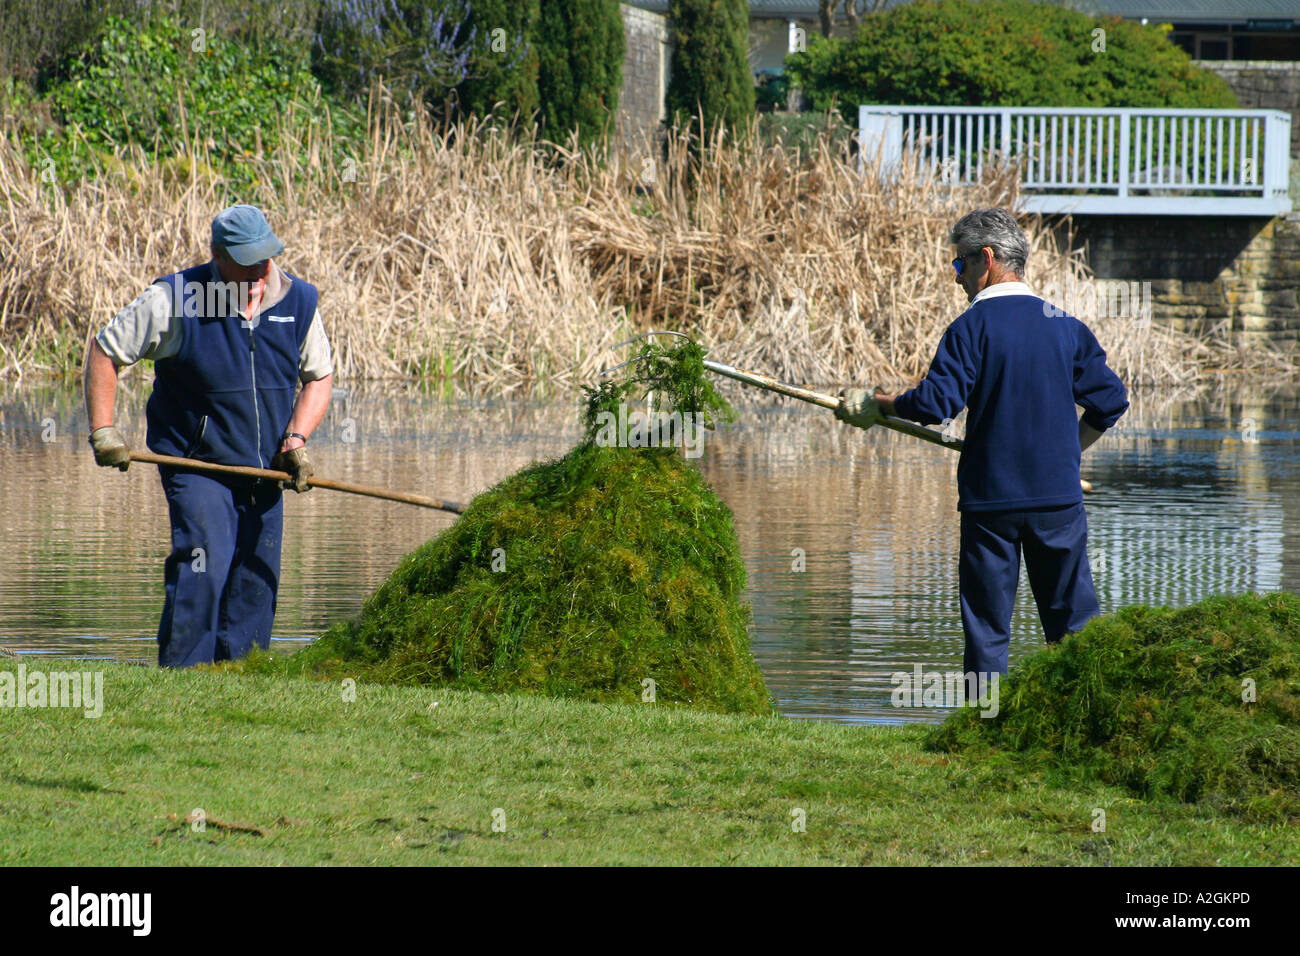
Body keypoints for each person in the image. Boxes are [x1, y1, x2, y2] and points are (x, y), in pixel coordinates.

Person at [835, 208, 1128, 696]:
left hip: (990, 504)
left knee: (988, 630)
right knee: (1074, 626)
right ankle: (1086, 718)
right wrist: (1069, 456)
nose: (957, 278)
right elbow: (1111, 401)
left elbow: (932, 405)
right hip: (1057, 501)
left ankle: (983, 728)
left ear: (986, 259)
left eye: (960, 265)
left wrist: (880, 404)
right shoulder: (1065, 326)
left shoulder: (970, 327)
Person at [83, 204, 333, 667]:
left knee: (256, 579)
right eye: (247, 259)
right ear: (217, 255)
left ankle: (242, 676)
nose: (260, 269)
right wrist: (103, 430)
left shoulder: (298, 302)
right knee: (205, 561)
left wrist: (295, 440)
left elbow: (319, 376)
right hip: (196, 464)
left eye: (266, 257)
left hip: (266, 469)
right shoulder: (176, 299)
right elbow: (105, 351)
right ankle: (185, 675)